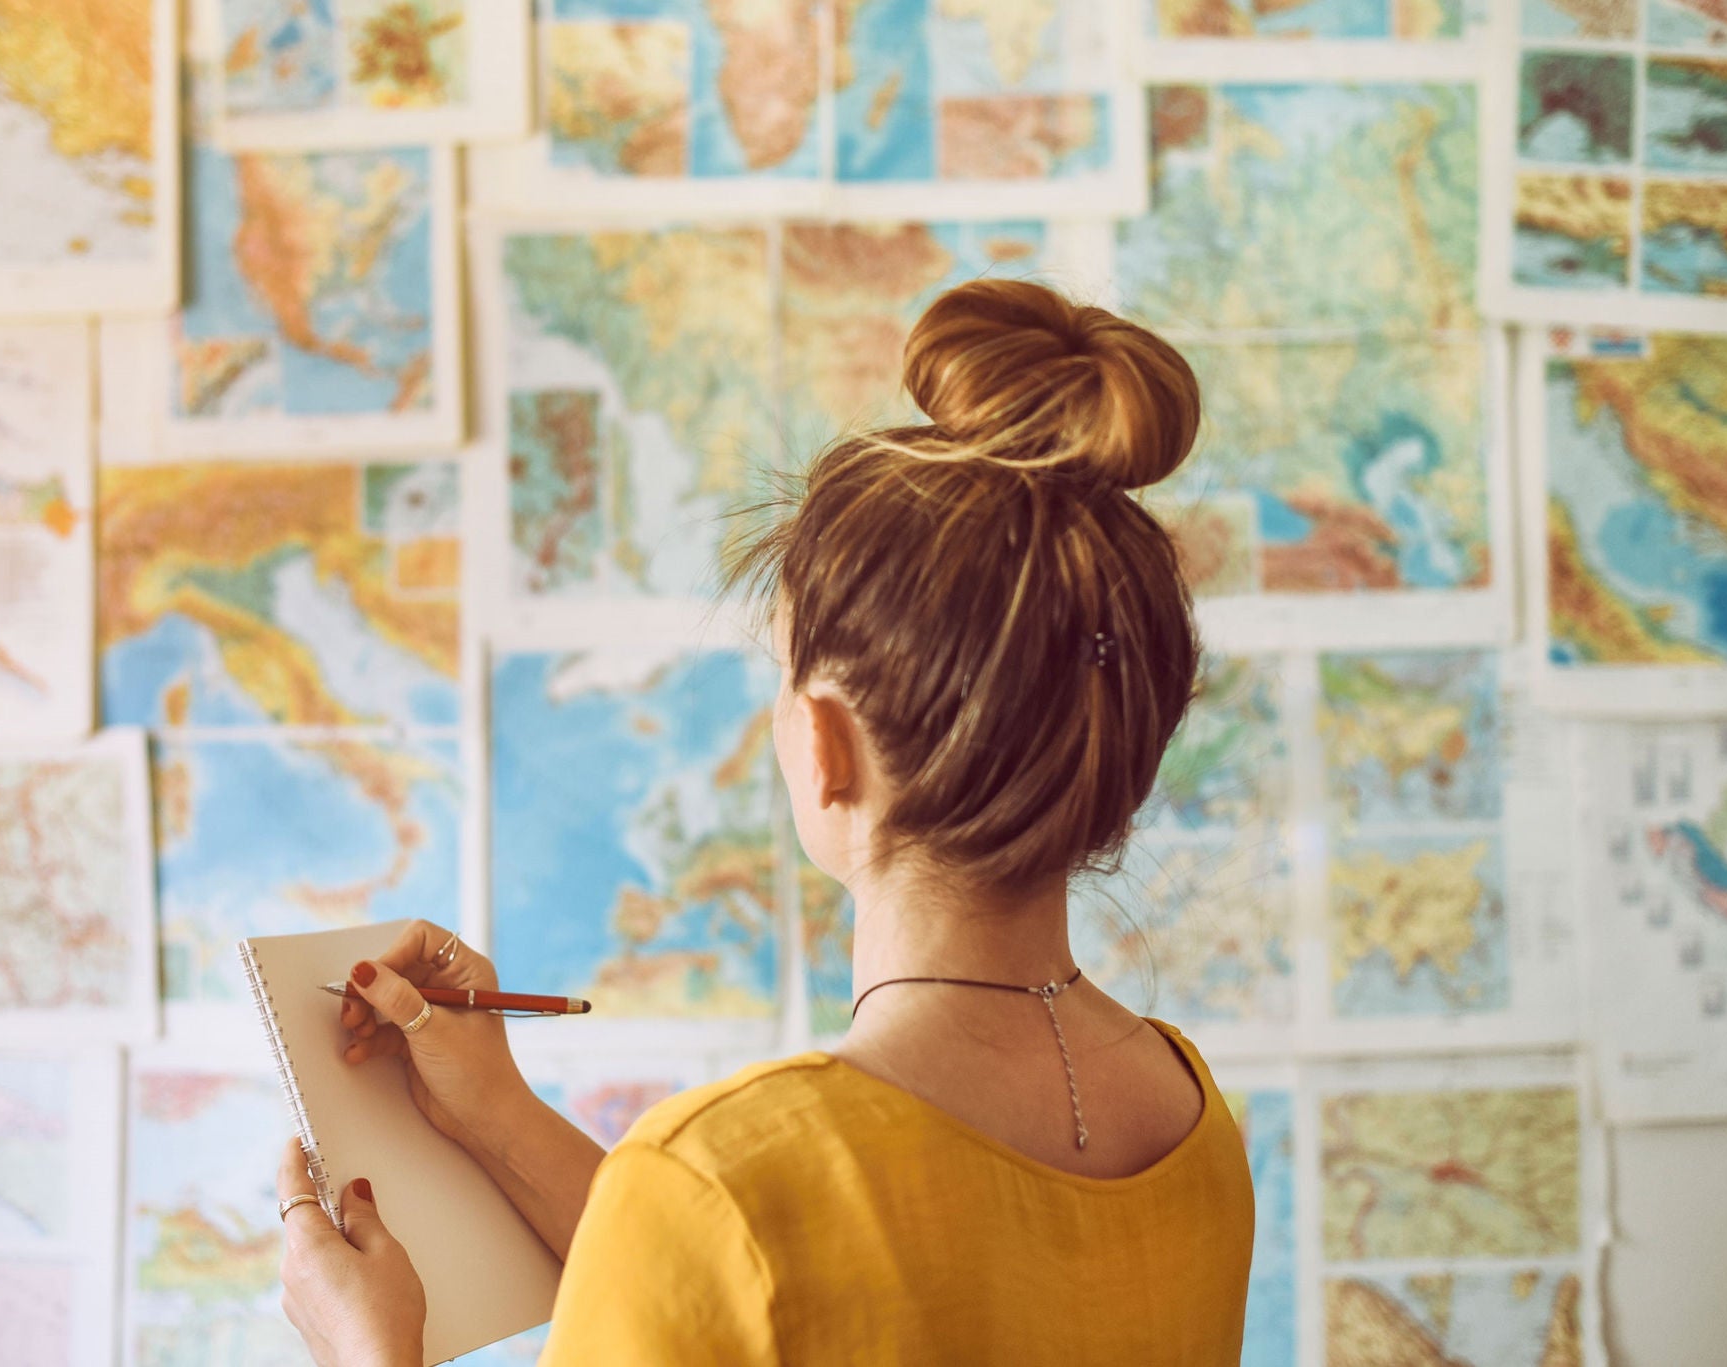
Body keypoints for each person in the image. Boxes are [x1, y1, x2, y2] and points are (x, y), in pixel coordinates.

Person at [275, 278, 1255, 1365]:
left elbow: (742, 1241)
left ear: (825, 745)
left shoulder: (721, 1176)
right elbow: (774, 1289)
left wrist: (364, 1347)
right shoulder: (1192, 1121)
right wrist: (497, 1113)